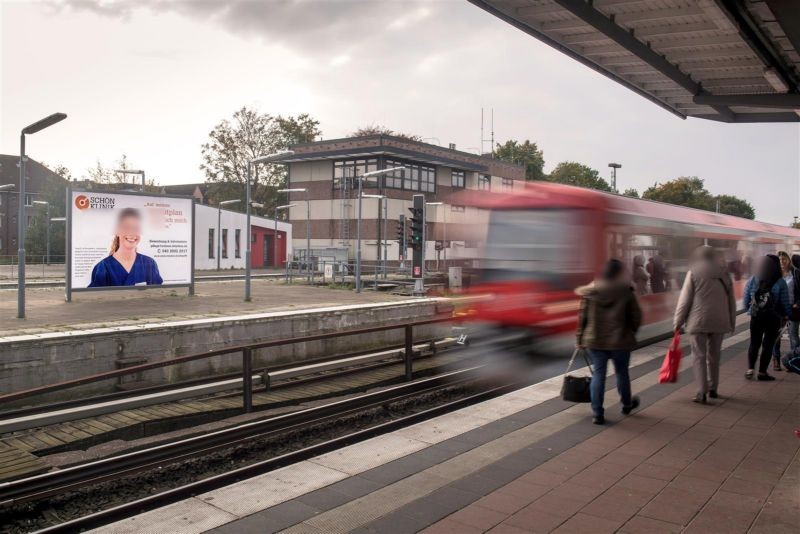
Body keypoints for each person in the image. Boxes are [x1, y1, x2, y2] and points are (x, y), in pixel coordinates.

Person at [576, 259, 642, 425]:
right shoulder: (626, 291)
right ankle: (627, 404)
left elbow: (582, 318)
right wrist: (631, 331)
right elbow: (636, 316)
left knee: (599, 374)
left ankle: (597, 413)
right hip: (620, 340)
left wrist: (579, 339)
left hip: (595, 341)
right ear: (618, 274)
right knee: (622, 373)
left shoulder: (590, 292)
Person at [673, 246, 736, 403]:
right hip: (719, 321)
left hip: (698, 320)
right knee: (714, 356)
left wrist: (678, 322)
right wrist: (732, 322)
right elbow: (731, 301)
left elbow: (685, 300)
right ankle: (713, 388)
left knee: (699, 356)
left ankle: (702, 392)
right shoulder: (725, 273)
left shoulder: (693, 272)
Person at [743, 254, 790, 381]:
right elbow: (785, 301)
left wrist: (751, 311)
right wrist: (786, 315)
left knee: (754, 343)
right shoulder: (780, 282)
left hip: (756, 317)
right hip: (773, 318)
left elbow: (746, 298)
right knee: (768, 345)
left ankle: (750, 369)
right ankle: (762, 372)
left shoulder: (753, 279)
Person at [89, 208, 163, 287]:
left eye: (136, 228)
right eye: (126, 227)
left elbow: (158, 293)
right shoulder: (103, 268)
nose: (131, 232)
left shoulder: (149, 264)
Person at [772, 251, 798, 371]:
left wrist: (798, 303)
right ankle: (776, 360)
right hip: (778, 310)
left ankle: (793, 360)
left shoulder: (796, 273)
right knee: (776, 336)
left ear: (789, 260)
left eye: (784, 259)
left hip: (793, 309)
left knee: (793, 335)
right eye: (780, 259)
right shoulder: (774, 274)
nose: (782, 261)